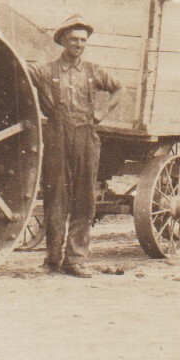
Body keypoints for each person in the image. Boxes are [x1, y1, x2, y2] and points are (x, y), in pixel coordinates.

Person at [29, 15, 122, 278]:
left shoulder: (94, 71)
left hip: (86, 136)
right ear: (63, 42)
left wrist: (101, 112)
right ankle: (53, 259)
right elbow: (23, 71)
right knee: (55, 197)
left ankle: (76, 259)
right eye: (73, 39)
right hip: (57, 136)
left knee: (84, 199)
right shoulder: (47, 70)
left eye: (82, 40)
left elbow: (118, 89)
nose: (78, 44)